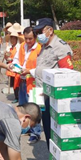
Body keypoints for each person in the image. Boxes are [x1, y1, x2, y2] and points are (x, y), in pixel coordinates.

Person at [30, 18, 73, 149]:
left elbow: (67, 73)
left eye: (41, 31)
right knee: (48, 130)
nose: (38, 35)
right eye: (37, 32)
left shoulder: (60, 46)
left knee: (55, 132)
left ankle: (56, 158)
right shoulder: (44, 46)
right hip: (42, 94)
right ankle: (51, 156)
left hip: (54, 98)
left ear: (50, 30)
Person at [12, 27, 40, 107]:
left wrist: (29, 71)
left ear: (35, 37)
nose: (27, 41)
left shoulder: (39, 49)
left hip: (33, 84)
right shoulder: (22, 46)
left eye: (30, 39)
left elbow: (41, 69)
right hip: (22, 82)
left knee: (32, 108)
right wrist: (15, 66)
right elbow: (16, 58)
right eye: (26, 38)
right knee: (22, 108)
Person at [4, 31, 20, 103]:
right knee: (13, 83)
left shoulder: (19, 48)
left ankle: (19, 97)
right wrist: (6, 57)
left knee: (17, 82)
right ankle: (16, 96)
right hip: (11, 67)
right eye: (11, 39)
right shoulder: (9, 48)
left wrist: (12, 59)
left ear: (16, 39)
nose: (12, 40)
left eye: (14, 39)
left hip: (17, 67)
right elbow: (6, 57)